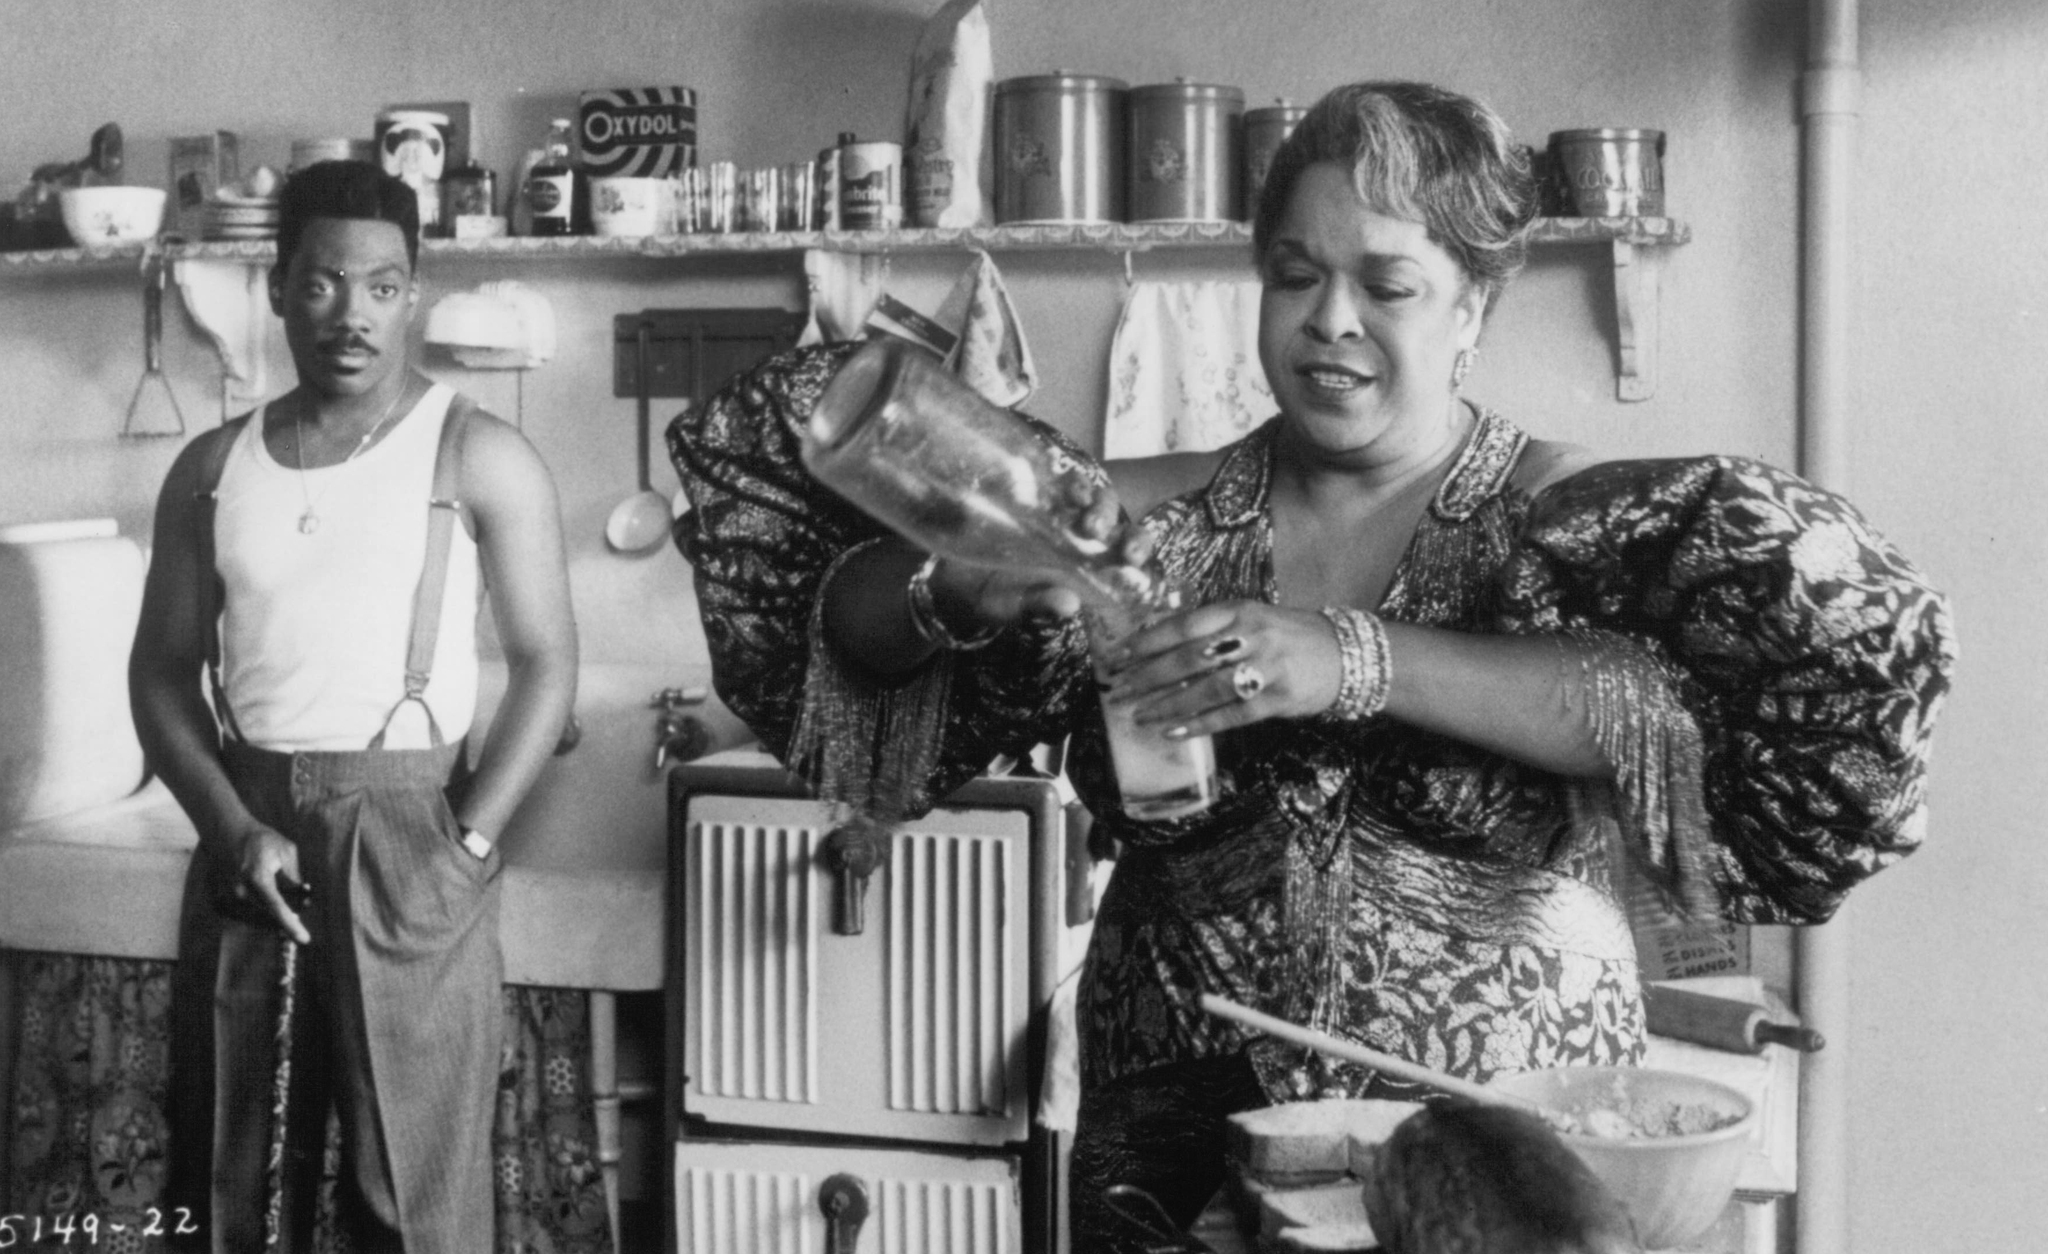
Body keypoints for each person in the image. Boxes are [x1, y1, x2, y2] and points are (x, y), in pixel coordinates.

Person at [667, 82, 1955, 1252]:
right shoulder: (1143, 519)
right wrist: (958, 579)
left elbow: (1662, 712)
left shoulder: (1563, 519)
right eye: (1293, 277)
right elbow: (840, 649)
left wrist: (1350, 656)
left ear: (1474, 306)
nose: (1329, 321)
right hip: (1169, 1158)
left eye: (1384, 285)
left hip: (1499, 1164)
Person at [129, 160, 577, 1252]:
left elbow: (547, 661)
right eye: (324, 284)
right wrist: (228, 827)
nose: (353, 315)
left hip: (410, 833)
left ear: (412, 292)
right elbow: (159, 671)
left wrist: (465, 845)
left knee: (410, 1195)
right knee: (233, 1182)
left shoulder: (480, 452)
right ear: (277, 288)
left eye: (382, 286)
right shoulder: (209, 467)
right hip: (250, 836)